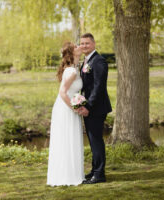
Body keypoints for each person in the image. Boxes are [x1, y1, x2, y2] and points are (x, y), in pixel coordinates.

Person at [47, 42, 85, 186]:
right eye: (76, 46)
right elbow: (62, 92)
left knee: (70, 139)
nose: (79, 47)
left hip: (68, 105)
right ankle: (66, 176)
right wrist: (74, 107)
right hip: (65, 108)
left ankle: (70, 173)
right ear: (71, 53)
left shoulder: (74, 68)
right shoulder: (72, 71)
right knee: (66, 139)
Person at [78, 33, 112, 184]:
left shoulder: (98, 61)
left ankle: (99, 175)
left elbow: (99, 87)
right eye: (82, 43)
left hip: (96, 108)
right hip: (89, 107)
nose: (84, 46)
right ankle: (94, 171)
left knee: (96, 140)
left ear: (94, 44)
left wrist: (88, 106)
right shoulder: (86, 61)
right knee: (93, 141)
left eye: (87, 43)